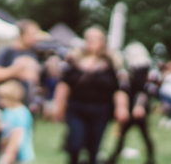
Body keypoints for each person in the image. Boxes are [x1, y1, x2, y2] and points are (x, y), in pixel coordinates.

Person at [53, 26, 129, 164]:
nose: (92, 41)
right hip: (77, 108)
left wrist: (121, 107)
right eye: (89, 38)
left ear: (103, 41)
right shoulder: (73, 59)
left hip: (101, 109)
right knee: (75, 143)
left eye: (96, 38)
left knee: (93, 147)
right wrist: (59, 104)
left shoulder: (112, 61)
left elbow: (120, 87)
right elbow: (64, 83)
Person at [0, 20, 41, 164]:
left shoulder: (32, 53)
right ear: (21, 34)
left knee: (19, 144)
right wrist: (16, 70)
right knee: (0, 146)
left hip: (23, 107)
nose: (36, 37)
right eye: (33, 34)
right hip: (5, 107)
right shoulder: (6, 53)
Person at [108, 42, 155, 164]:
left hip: (136, 107)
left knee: (133, 134)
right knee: (137, 134)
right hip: (132, 106)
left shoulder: (141, 69)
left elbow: (142, 90)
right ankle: (150, 158)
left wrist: (139, 105)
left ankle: (113, 159)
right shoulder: (137, 69)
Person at [0, 80, 35, 164]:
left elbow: (18, 134)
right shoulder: (8, 111)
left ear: (11, 97)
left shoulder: (21, 113)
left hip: (20, 155)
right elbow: (4, 127)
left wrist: (10, 153)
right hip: (6, 150)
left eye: (2, 98)